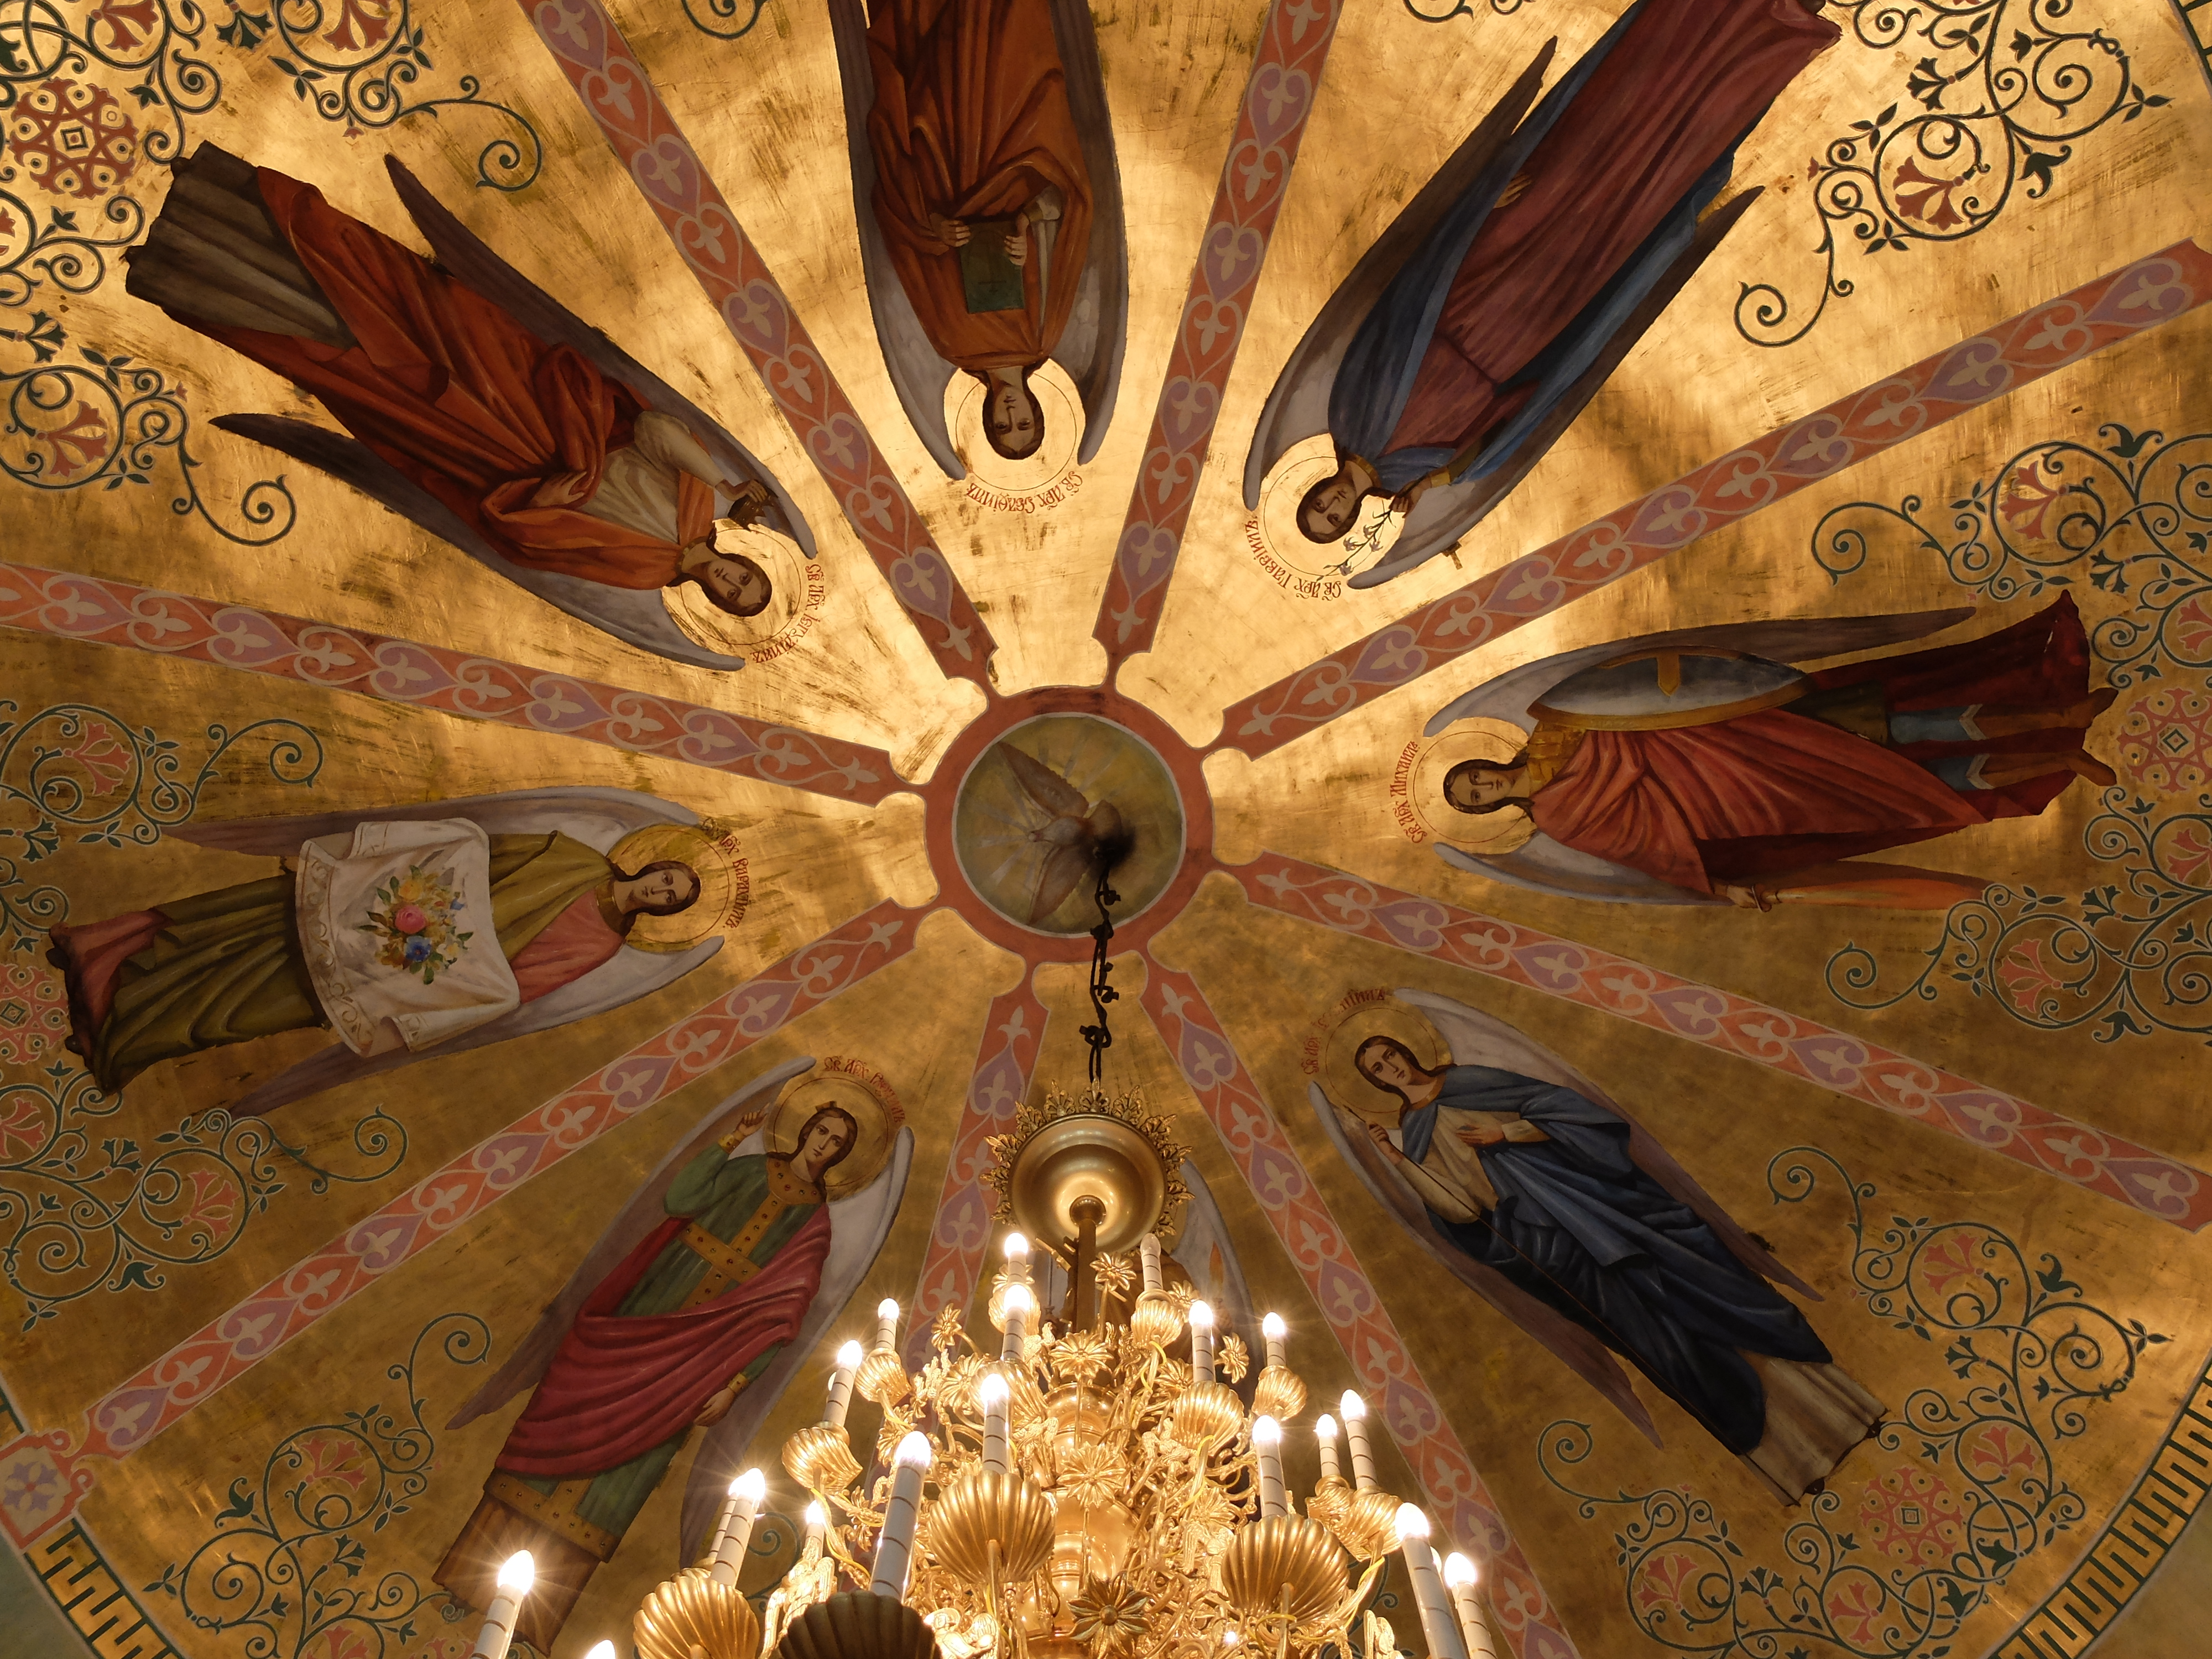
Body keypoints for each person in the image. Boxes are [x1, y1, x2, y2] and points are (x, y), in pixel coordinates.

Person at [123, 144, 775, 616]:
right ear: (745, 562)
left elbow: (532, 548)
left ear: (716, 600)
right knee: (414, 295)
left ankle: (185, 262)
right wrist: (725, 483)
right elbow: (656, 429)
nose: (733, 583)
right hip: (539, 399)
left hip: (496, 450)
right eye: (746, 579)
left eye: (734, 595)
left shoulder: (642, 575)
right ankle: (224, 193)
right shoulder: (698, 504)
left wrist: (547, 500)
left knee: (355, 372)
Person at [1298, 0, 1839, 542]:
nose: (1333, 506)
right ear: (1350, 521)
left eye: (1319, 505)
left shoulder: (1345, 413)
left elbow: (1398, 310)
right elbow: (1494, 434)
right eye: (1335, 519)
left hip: (1470, 286)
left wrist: (1476, 212)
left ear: (1316, 489)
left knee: (1587, 145)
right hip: (1525, 335)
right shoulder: (1411, 479)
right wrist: (1430, 484)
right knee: (1634, 205)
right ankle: (1759, 46)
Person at [1354, 1035, 1880, 1491]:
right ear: (1376, 1082)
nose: (1390, 1067)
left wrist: (1506, 1134)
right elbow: (1462, 1214)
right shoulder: (1413, 1133)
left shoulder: (1471, 1081)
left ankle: (1841, 1401)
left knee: (1698, 1277)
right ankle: (1782, 1458)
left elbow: (1570, 1111)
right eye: (1377, 1068)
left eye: (1390, 1055)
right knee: (1649, 1336)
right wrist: (1399, 1162)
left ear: (1407, 1050)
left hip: (1602, 1204)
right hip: (1553, 1246)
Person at [435, 1103, 858, 1648]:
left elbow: (781, 1316)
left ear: (843, 1155)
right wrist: (730, 1141)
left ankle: (536, 1623)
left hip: (701, 1357)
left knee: (621, 1477)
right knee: (564, 1420)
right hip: (649, 1307)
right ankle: (469, 1576)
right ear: (806, 1129)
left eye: (836, 1141)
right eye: (821, 1130)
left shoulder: (814, 1224)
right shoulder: (750, 1171)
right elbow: (681, 1200)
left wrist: (733, 1386)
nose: (823, 1143)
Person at [1443, 596, 2115, 908]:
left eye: (1473, 778)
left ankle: (2057, 715)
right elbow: (1647, 848)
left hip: (1745, 740)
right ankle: (2058, 760)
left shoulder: (1555, 728)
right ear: (1486, 811)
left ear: (1482, 764)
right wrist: (1721, 888)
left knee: (1895, 724)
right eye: (1475, 799)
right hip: (1751, 805)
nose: (1482, 788)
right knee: (1920, 790)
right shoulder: (1559, 820)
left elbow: (1644, 697)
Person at [49, 833, 697, 1092]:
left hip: (405, 970)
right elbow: (481, 852)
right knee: (233, 929)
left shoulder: (604, 945)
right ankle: (103, 960)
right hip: (381, 906)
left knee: (243, 1013)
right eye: (667, 880)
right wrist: (377, 867)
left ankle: (124, 1033)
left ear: (663, 912)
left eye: (671, 900)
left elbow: (520, 986)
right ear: (655, 867)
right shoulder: (574, 858)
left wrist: (430, 995)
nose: (661, 892)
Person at [864, 0, 1094, 460]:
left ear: (987, 419)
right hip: (1015, 143)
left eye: (1002, 426)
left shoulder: (951, 344)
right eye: (1024, 421)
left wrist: (934, 228)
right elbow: (1069, 209)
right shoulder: (1043, 335)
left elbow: (913, 256)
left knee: (939, 56)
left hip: (946, 167)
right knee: (1009, 37)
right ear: (1036, 408)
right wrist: (1027, 222)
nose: (1011, 413)